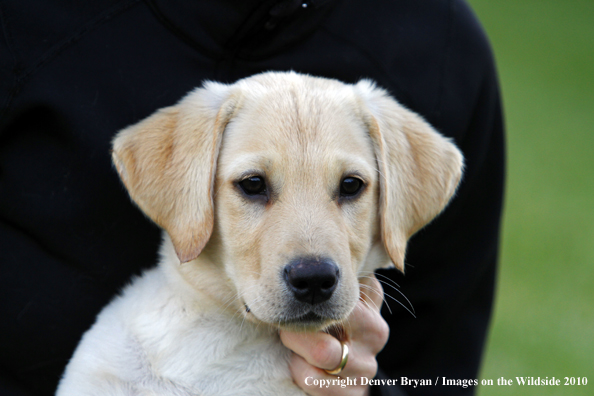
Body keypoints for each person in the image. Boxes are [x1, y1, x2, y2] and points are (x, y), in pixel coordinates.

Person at [0, 0, 504, 395]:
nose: (312, 259)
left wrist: (362, 389)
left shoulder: (442, 49)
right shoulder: (114, 357)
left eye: (350, 187)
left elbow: (440, 377)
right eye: (253, 186)